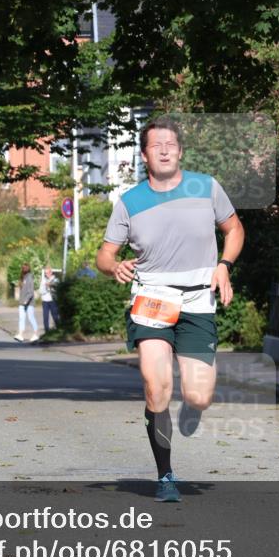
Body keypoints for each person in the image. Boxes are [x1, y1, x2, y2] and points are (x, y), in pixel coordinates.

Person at [97, 116, 245, 502]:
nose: (164, 150)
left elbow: (234, 229)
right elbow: (105, 254)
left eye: (170, 144)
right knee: (156, 385)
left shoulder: (206, 187)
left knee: (199, 396)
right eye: (155, 145)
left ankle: (192, 408)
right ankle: (165, 475)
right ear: (145, 155)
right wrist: (114, 265)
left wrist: (224, 266)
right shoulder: (129, 201)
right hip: (152, 298)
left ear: (180, 151)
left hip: (199, 297)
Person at [14, 263, 38, 342]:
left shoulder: (29, 278)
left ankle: (36, 334)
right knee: (21, 319)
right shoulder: (23, 278)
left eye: (25, 268)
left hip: (29, 303)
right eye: (23, 268)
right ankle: (20, 334)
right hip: (22, 303)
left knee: (31, 318)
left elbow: (31, 292)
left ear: (28, 269)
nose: (24, 269)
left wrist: (26, 300)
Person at [40, 266, 60, 334]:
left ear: (51, 272)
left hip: (52, 300)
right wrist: (46, 287)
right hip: (45, 301)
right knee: (45, 317)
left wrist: (50, 285)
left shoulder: (56, 279)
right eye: (45, 273)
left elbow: (57, 288)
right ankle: (47, 331)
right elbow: (41, 291)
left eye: (47, 273)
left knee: (55, 316)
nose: (46, 274)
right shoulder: (43, 280)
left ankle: (59, 330)